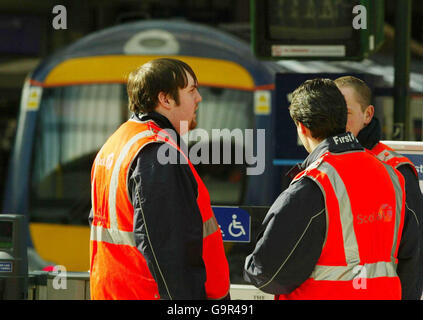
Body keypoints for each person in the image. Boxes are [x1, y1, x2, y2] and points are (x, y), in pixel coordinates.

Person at [244, 78, 420, 300]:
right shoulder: (392, 174)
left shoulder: (314, 184)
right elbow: (412, 257)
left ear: (302, 127)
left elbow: (267, 273)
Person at [89, 58, 230, 300]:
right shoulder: (157, 152)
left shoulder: (118, 143)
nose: (199, 98)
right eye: (191, 90)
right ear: (165, 99)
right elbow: (168, 249)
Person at [334, 75, 423, 299]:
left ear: (368, 114)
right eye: (331, 112)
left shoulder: (396, 170)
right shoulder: (320, 166)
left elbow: (414, 253)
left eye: (345, 113)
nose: (336, 121)